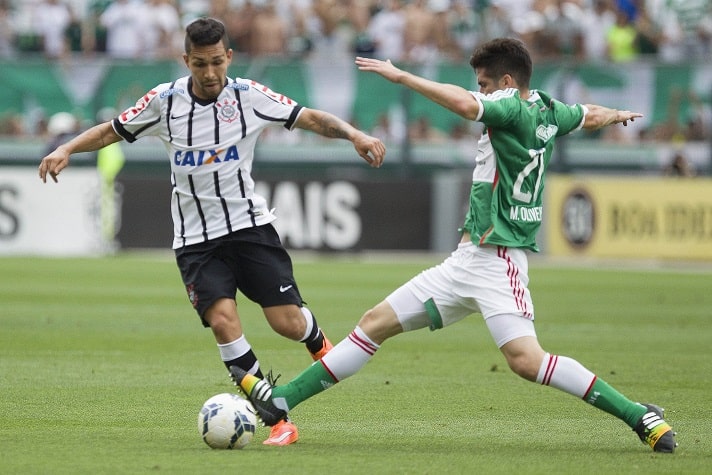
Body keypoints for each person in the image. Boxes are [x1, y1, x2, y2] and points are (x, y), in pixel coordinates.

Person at [229, 37, 678, 454]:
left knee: (525, 360)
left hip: (499, 261)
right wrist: (616, 113)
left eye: (484, 83)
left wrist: (402, 76)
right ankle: (281, 402)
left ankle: (640, 416)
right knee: (374, 323)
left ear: (506, 83)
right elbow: (588, 114)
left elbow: (465, 105)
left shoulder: (511, 108)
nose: (478, 91)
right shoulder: (548, 110)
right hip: (466, 261)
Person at [38, 17, 386, 446]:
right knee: (223, 321)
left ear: (230, 58)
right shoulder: (164, 102)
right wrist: (66, 147)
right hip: (195, 240)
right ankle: (275, 415)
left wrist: (354, 135)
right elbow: (113, 130)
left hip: (249, 228)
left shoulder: (249, 96)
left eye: (217, 63)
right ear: (186, 60)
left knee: (287, 323)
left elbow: (308, 117)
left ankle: (314, 337)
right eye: (200, 64)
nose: (209, 74)